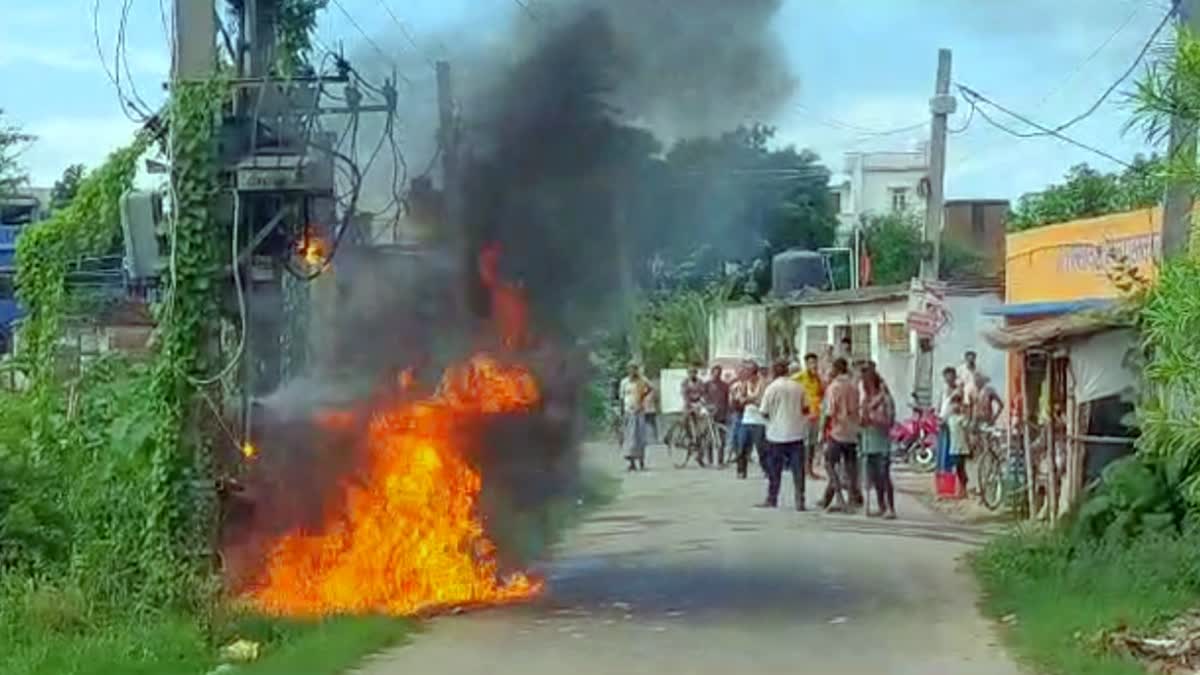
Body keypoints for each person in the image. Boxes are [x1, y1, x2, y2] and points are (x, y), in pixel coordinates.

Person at [760, 361, 810, 510]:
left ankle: (772, 498)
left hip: (776, 434)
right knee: (798, 470)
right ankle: (799, 500)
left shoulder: (772, 388)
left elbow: (764, 411)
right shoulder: (799, 387)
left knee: (775, 470)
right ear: (788, 371)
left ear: (774, 372)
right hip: (796, 433)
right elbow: (806, 409)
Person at [819, 358, 863, 512]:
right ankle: (849, 497)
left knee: (830, 464)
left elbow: (829, 413)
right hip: (852, 431)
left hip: (837, 431)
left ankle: (839, 497)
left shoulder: (834, 387)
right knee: (850, 467)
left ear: (836, 370)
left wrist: (822, 432)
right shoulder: (854, 386)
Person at [861, 369, 897, 519]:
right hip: (869, 440)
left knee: (884, 475)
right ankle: (881, 506)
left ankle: (890, 507)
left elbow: (890, 421)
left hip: (882, 441)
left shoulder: (886, 399)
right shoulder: (866, 401)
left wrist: (875, 420)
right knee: (874, 477)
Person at [731, 360, 768, 479]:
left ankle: (766, 469)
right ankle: (741, 471)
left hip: (759, 421)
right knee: (742, 446)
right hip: (747, 419)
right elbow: (741, 400)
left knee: (761, 448)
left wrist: (749, 400)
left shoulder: (763, 384)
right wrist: (740, 400)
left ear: (754, 373)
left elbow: (763, 402)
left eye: (748, 372)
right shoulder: (744, 384)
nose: (746, 374)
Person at [937, 366, 969, 495]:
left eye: (950, 376)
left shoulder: (958, 391)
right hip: (945, 425)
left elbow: (961, 406)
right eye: (946, 376)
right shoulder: (944, 391)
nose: (948, 378)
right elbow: (940, 406)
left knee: (956, 460)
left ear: (954, 376)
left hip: (955, 428)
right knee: (943, 457)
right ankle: (945, 486)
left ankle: (959, 486)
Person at [792, 352, 825, 479]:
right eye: (811, 363)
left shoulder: (817, 378)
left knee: (812, 444)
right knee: (804, 444)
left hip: (815, 415)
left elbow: (822, 393)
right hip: (804, 416)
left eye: (815, 362)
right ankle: (803, 469)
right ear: (806, 364)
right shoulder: (799, 377)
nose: (814, 365)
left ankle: (809, 469)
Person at [619, 364, 652, 472]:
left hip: (639, 411)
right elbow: (621, 398)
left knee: (640, 438)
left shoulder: (642, 381)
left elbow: (650, 388)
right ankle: (632, 463)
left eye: (634, 370)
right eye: (630, 370)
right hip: (628, 411)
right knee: (630, 438)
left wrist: (643, 397)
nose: (632, 372)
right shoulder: (624, 382)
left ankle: (641, 462)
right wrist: (622, 412)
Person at [705, 364, 731, 465]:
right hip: (710, 414)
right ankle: (709, 459)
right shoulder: (707, 385)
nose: (717, 375)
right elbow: (703, 397)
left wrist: (728, 411)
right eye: (715, 373)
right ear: (712, 373)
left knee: (721, 438)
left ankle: (720, 460)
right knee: (709, 438)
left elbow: (727, 399)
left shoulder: (725, 385)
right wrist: (707, 407)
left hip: (722, 414)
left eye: (719, 373)